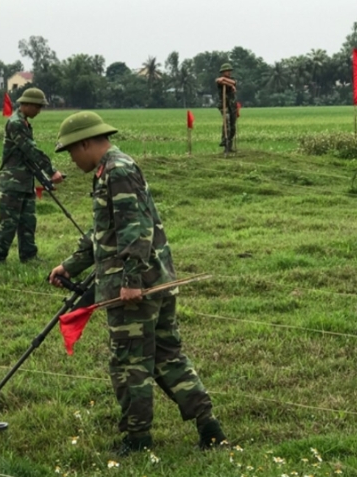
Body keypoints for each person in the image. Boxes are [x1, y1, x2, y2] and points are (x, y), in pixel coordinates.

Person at [48, 111, 226, 456]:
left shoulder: (116, 171)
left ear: (86, 143)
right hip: (154, 279)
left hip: (135, 289)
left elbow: (134, 230)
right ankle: (210, 428)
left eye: (71, 150)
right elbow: (105, 230)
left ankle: (137, 439)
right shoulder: (114, 169)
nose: (71, 158)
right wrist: (70, 265)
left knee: (130, 363)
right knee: (166, 357)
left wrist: (129, 281)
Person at [0, 88, 63, 265]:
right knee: (8, 223)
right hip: (13, 181)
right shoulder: (16, 123)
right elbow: (30, 149)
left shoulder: (23, 122)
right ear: (28, 105)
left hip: (25, 180)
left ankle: (29, 256)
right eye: (38, 106)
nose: (39, 110)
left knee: (28, 221)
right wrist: (51, 170)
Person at [215, 62, 237, 153]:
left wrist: (229, 83)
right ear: (223, 72)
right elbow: (218, 81)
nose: (229, 73)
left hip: (232, 106)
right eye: (227, 71)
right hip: (224, 105)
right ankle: (225, 143)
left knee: (232, 126)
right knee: (226, 122)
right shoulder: (219, 80)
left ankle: (230, 145)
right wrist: (230, 85)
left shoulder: (232, 79)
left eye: (229, 71)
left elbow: (234, 82)